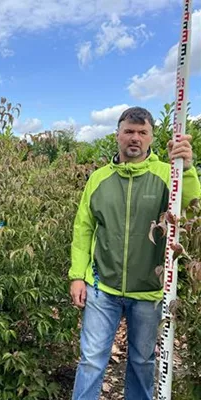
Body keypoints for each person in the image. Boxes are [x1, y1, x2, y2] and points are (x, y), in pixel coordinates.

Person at [68, 106, 201, 400]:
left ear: (152, 137)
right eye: (129, 131)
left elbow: (194, 210)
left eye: (142, 133)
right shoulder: (99, 179)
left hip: (150, 291)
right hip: (103, 287)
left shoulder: (170, 174)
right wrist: (78, 276)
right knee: (91, 360)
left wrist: (188, 169)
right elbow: (83, 228)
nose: (135, 138)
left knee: (142, 362)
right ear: (117, 136)